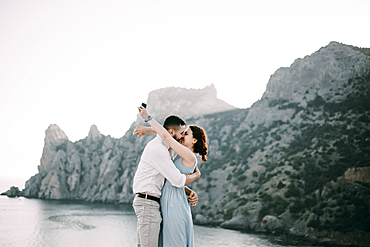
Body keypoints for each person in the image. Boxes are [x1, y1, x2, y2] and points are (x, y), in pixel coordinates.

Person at [136, 105, 208, 247]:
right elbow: (167, 135)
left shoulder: (189, 156)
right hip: (166, 202)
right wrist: (150, 129)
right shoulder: (176, 152)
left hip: (174, 204)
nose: (182, 135)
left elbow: (166, 136)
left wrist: (147, 118)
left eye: (186, 134)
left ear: (194, 141)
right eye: (183, 132)